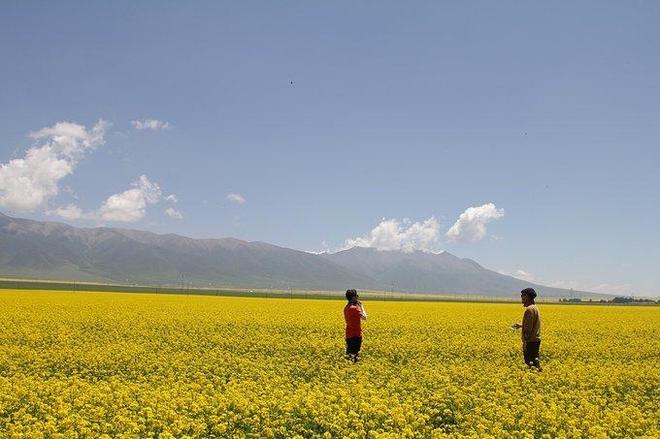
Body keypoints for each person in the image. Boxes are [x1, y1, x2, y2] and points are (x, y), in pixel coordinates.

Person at [512, 287, 542, 370]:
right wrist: (521, 325)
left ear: (527, 297)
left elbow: (528, 330)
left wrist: (525, 343)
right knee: (535, 364)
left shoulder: (529, 310)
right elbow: (533, 323)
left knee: (531, 365)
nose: (521, 297)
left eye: (522, 295)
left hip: (530, 342)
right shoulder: (535, 307)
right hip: (535, 341)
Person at [344, 289, 367, 363]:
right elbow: (364, 317)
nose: (357, 297)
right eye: (357, 296)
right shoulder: (355, 308)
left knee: (349, 356)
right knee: (355, 358)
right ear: (353, 297)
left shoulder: (346, 307)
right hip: (356, 335)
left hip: (348, 335)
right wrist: (361, 306)